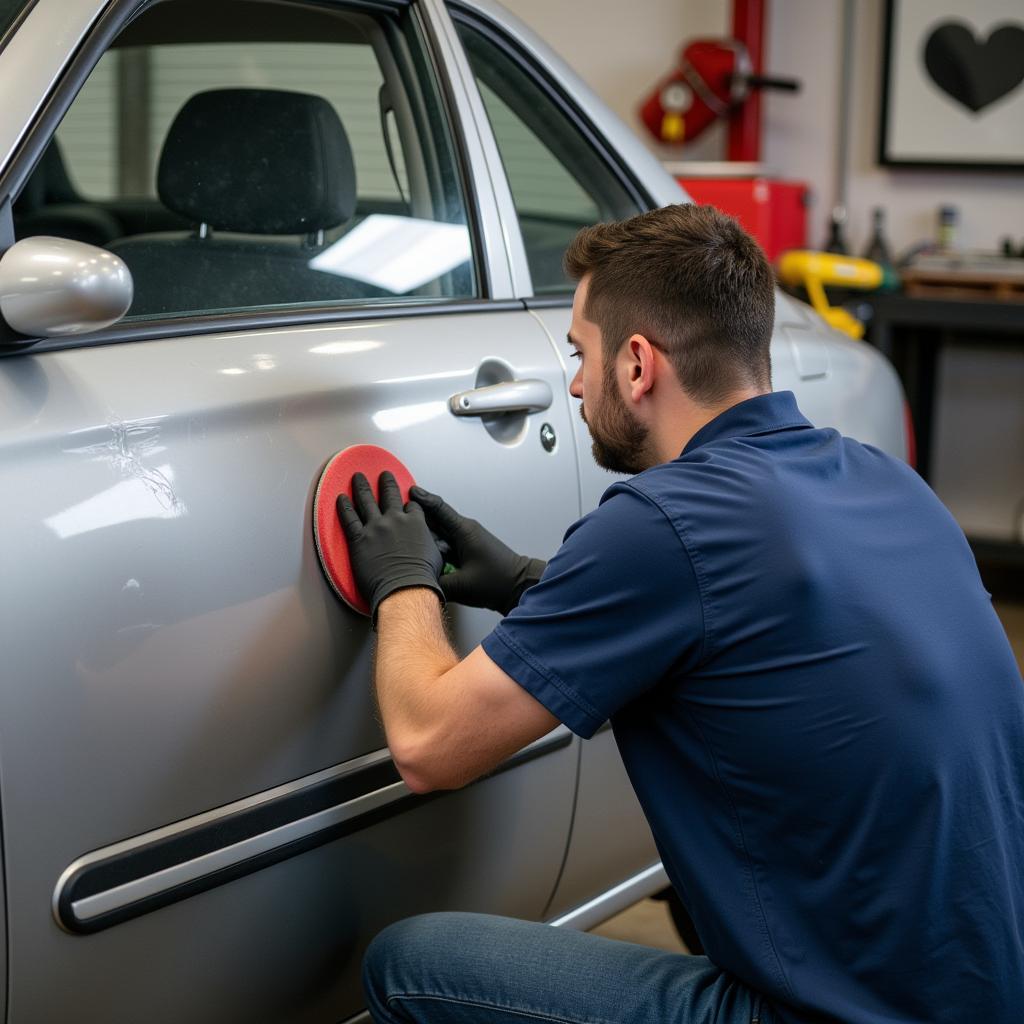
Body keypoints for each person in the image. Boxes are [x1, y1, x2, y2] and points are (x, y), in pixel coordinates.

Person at [337, 204, 1024, 1024]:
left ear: (638, 364)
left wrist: (402, 582)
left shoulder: (661, 522)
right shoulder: (885, 480)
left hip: (835, 1014)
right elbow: (741, 625)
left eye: (578, 354)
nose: (577, 383)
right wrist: (527, 580)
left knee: (409, 966)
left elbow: (428, 746)